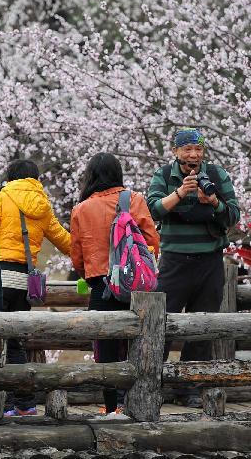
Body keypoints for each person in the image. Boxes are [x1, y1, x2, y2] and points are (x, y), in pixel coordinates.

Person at [146, 128, 239, 408]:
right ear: (175, 151)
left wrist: (212, 201)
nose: (193, 155)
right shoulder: (163, 176)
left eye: (198, 149)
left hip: (210, 261)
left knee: (203, 326)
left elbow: (233, 214)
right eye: (187, 150)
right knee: (161, 324)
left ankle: (189, 388)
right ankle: (153, 384)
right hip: (174, 261)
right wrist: (179, 193)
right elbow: (151, 210)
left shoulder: (217, 175)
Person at [70, 153, 159, 415]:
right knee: (138, 344)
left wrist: (91, 273)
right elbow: (152, 242)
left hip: (102, 286)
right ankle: (136, 403)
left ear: (91, 177)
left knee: (106, 350)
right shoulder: (135, 200)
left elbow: (77, 256)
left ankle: (111, 407)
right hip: (134, 286)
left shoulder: (81, 209)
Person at [0, 158, 71, 417]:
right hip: (25, 282)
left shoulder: (1, 198)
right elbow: (64, 240)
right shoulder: (42, 205)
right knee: (16, 342)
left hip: (0, 277)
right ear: (35, 178)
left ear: (10, 177)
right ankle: (25, 403)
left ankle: (7, 402)